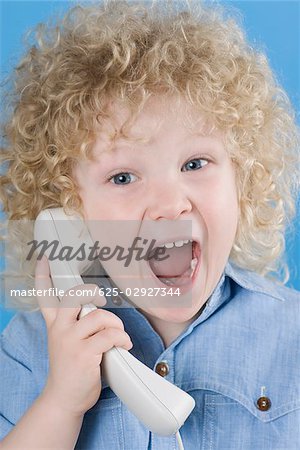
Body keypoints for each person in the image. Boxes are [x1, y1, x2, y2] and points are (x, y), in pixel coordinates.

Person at [0, 1, 299, 449]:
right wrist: (61, 403)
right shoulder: (28, 347)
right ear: (70, 211)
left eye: (195, 163)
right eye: (123, 177)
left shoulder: (291, 334)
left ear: (244, 176)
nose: (169, 204)